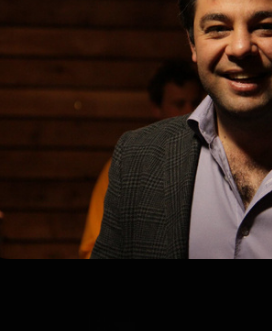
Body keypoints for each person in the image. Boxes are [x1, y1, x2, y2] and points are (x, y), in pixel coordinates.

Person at [92, 0, 272, 259]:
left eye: (265, 27)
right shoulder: (138, 159)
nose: (240, 48)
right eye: (218, 28)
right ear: (193, 44)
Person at [77, 59, 204, 258]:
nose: (190, 111)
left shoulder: (214, 159)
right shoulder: (128, 166)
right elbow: (96, 247)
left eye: (195, 103)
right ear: (156, 108)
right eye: (179, 104)